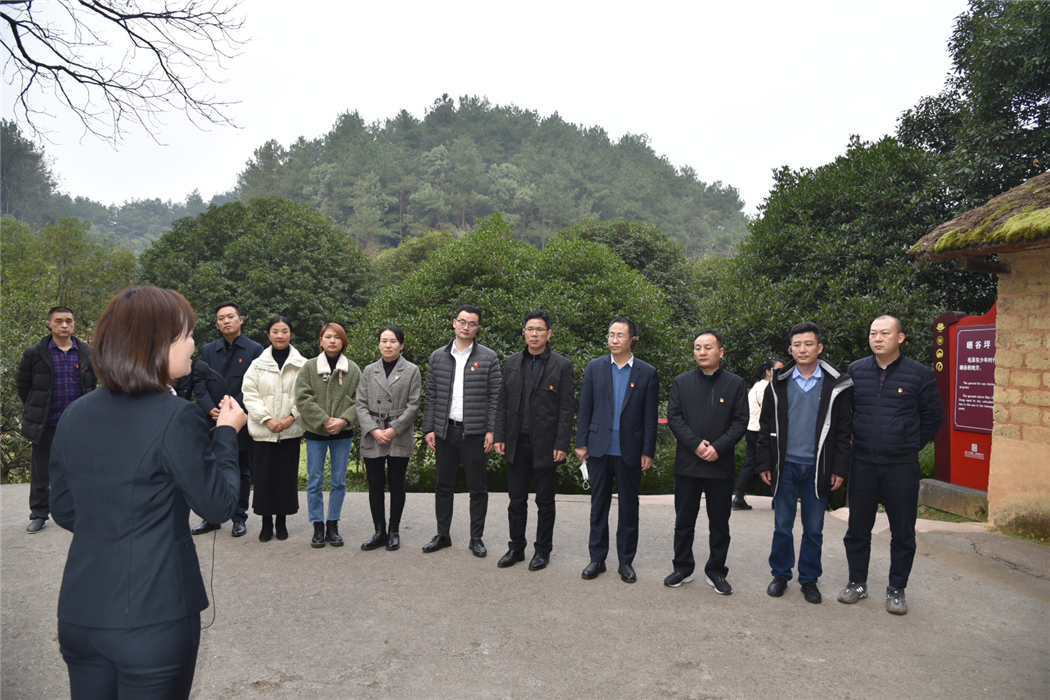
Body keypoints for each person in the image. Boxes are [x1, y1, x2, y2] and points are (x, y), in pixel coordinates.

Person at [49, 286, 246, 700]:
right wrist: (227, 433)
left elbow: (64, 510)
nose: (193, 344)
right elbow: (219, 505)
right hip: (154, 617)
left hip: (81, 614)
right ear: (157, 343)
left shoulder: (74, 413)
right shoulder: (176, 416)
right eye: (187, 334)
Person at [839, 315, 943, 615]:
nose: (878, 338)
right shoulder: (856, 370)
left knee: (902, 532)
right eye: (873, 333)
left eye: (885, 333)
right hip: (863, 462)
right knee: (857, 529)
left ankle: (897, 588)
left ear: (900, 338)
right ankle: (857, 582)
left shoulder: (919, 374)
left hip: (901, 466)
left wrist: (909, 443)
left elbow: (933, 416)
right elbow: (848, 411)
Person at [757, 323, 852, 604]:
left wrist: (839, 468)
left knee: (814, 528)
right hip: (785, 464)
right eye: (797, 345)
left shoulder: (836, 384)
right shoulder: (778, 383)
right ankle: (780, 575)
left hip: (818, 466)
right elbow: (765, 426)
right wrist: (764, 463)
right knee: (782, 525)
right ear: (790, 349)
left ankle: (809, 579)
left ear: (819, 348)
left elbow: (843, 430)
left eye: (808, 344)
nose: (802, 349)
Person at [576, 317, 659, 584]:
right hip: (599, 447)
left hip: (630, 449)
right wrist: (581, 443)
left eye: (620, 335)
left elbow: (650, 416)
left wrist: (648, 450)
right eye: (611, 335)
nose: (614, 340)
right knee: (598, 506)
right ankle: (597, 559)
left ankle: (626, 561)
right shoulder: (595, 367)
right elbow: (585, 408)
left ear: (632, 339)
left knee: (629, 507)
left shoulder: (647, 372)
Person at [664, 330, 747, 595]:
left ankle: (716, 571)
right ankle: (682, 568)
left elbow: (740, 421)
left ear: (720, 352)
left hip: (720, 465)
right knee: (684, 521)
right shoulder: (682, 382)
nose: (702, 352)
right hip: (688, 463)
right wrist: (696, 444)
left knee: (720, 523)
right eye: (698, 347)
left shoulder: (735, 384)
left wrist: (718, 448)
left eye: (708, 347)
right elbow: (674, 417)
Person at [493, 310, 575, 571]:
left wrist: (562, 443)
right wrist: (499, 435)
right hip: (516, 442)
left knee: (545, 502)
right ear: (524, 332)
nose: (534, 334)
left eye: (540, 329)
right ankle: (516, 548)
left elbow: (566, 409)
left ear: (549, 333)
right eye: (530, 329)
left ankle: (542, 550)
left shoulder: (562, 365)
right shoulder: (512, 362)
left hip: (546, 445)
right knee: (516, 500)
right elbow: (503, 402)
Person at [420, 305, 502, 557]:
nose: (466, 327)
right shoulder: (438, 356)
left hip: (475, 434)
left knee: (478, 488)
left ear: (478, 328)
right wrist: (429, 427)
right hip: (445, 432)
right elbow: (432, 395)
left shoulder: (488, 357)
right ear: (454, 323)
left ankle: (476, 538)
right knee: (443, 486)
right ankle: (442, 535)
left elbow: (495, 397)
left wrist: (492, 430)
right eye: (462, 321)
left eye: (472, 323)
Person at [16, 306, 97, 534]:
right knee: (41, 471)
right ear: (49, 324)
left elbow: (92, 384)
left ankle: (80, 512)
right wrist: (37, 408)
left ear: (74, 324)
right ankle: (39, 514)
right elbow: (23, 386)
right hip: (46, 421)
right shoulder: (35, 353)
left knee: (80, 469)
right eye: (59, 321)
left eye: (68, 321)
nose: (64, 325)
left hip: (78, 423)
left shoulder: (87, 353)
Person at [191, 301, 263, 537]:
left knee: (240, 469)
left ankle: (238, 517)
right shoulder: (209, 350)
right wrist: (209, 408)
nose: (226, 321)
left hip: (238, 420)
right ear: (217, 324)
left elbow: (255, 385)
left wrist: (232, 409)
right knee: (210, 469)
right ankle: (211, 517)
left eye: (230, 317)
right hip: (213, 419)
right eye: (221, 318)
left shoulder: (255, 350)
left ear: (241, 320)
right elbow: (199, 383)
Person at [295, 322, 362, 549]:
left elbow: (360, 400)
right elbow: (302, 398)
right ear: (321, 341)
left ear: (344, 342)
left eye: (337, 337)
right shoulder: (309, 367)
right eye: (328, 336)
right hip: (316, 433)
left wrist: (344, 420)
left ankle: (333, 524)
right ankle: (317, 525)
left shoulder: (352, 369)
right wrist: (324, 420)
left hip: (343, 433)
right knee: (314, 480)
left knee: (338, 481)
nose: (332, 341)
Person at [355, 325, 422, 552]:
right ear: (379, 344)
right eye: (384, 341)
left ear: (401, 345)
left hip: (398, 434)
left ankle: (394, 531)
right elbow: (360, 404)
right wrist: (373, 430)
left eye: (393, 341)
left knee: (396, 484)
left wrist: (394, 429)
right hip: (373, 433)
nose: (388, 345)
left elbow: (414, 405)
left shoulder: (411, 370)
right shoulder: (369, 370)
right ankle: (379, 531)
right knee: (375, 485)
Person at [242, 316, 307, 543]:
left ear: (291, 334)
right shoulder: (257, 365)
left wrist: (291, 417)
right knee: (264, 478)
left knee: (285, 478)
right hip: (264, 432)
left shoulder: (302, 364)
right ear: (268, 335)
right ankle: (266, 522)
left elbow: (306, 395)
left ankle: (281, 521)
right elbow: (250, 394)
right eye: (275, 331)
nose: (280, 335)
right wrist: (267, 419)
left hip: (290, 431)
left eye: (285, 331)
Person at [733, 357, 783, 510]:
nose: (782, 373)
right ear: (768, 372)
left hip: (754, 429)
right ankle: (741, 496)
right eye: (778, 370)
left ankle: (742, 496)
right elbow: (771, 411)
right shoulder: (766, 388)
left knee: (756, 462)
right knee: (761, 462)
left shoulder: (759, 385)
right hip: (760, 431)